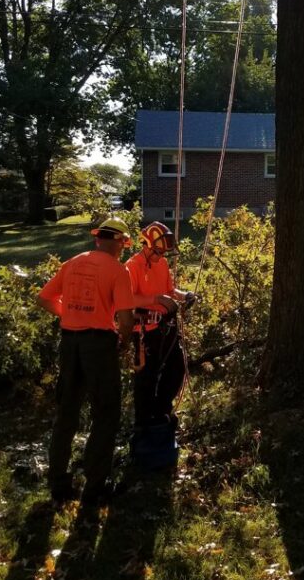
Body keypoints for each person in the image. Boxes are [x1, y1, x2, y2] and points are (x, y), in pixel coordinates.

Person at [36, 217, 135, 506]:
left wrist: (68, 314)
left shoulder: (72, 262)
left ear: (97, 238)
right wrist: (124, 341)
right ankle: (95, 487)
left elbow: (44, 298)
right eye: (124, 245)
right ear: (119, 243)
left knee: (66, 411)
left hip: (69, 343)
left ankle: (58, 483)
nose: (124, 250)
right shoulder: (118, 270)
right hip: (99, 345)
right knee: (105, 413)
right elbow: (126, 319)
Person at [126, 221, 196, 427]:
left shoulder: (161, 263)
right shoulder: (132, 266)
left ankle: (162, 410)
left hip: (167, 327)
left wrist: (186, 295)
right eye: (157, 252)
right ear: (146, 246)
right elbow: (127, 299)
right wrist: (155, 300)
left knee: (177, 368)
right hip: (145, 331)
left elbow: (170, 290)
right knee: (147, 378)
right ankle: (144, 423)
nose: (160, 257)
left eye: (164, 254)